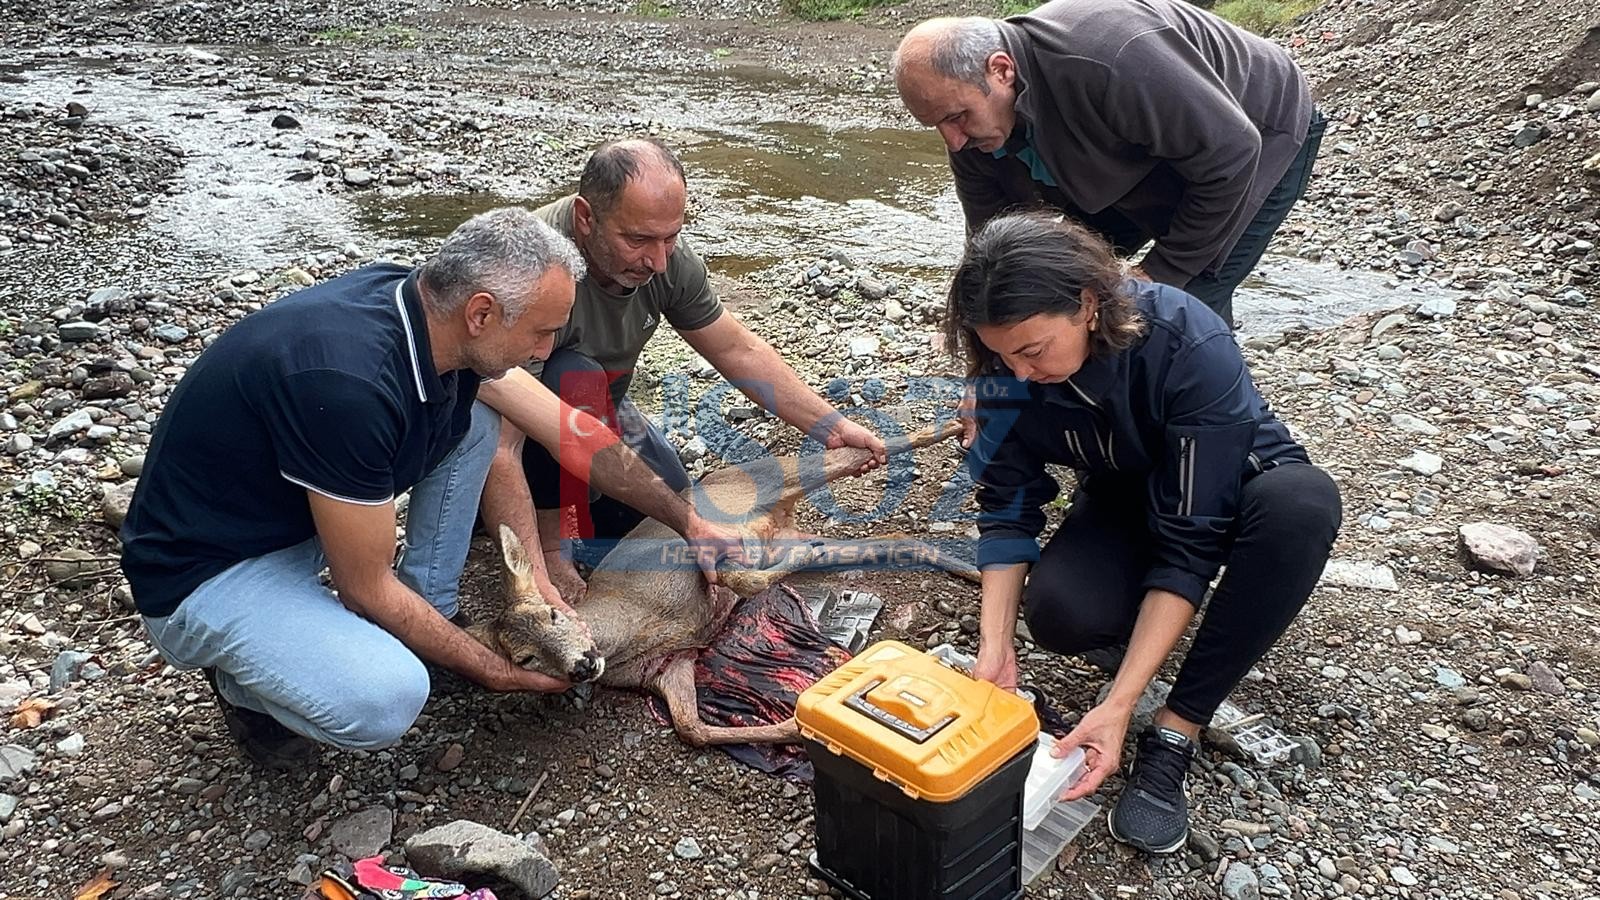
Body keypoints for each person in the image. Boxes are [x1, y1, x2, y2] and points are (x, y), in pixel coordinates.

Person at [121, 208, 743, 769]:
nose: (548, 349)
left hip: (294, 512)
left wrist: (683, 523)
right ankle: (241, 683)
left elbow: (572, 435)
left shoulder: (433, 313)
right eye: (541, 332)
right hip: (206, 569)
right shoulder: (349, 385)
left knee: (477, 419)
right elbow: (364, 587)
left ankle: (431, 604)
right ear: (481, 312)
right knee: (386, 699)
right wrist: (493, 671)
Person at [947, 211, 1341, 853]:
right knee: (1059, 614)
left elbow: (1191, 542)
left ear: (1087, 304)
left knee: (1302, 506)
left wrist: (1122, 703)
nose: (1017, 372)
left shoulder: (1187, 342)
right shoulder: (1005, 375)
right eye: (999, 354)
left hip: (1236, 484)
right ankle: (1136, 635)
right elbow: (1007, 508)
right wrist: (996, 646)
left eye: (1033, 351)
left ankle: (1177, 727)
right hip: (1126, 489)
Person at [481, 137, 887, 602]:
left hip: (605, 409)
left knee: (674, 510)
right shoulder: (533, 273)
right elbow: (502, 446)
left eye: (670, 236)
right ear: (585, 218)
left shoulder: (665, 256)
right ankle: (555, 542)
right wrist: (538, 571)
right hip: (519, 428)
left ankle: (590, 519)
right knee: (575, 374)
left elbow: (736, 349)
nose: (657, 261)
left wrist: (831, 426)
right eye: (637, 240)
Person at [895, 0, 1326, 328]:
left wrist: (1159, 272)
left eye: (956, 118)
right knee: (1054, 283)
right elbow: (992, 254)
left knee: (1179, 305)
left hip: (1255, 134)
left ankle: (1216, 427)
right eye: (937, 125)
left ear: (1001, 71)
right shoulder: (969, 132)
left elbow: (1231, 153)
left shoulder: (1109, 60)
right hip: (1133, 154)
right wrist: (986, 372)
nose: (953, 140)